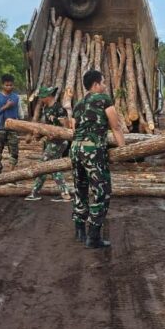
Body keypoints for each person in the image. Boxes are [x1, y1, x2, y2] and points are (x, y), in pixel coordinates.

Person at [70, 70, 125, 248]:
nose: (105, 85)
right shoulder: (104, 99)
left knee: (81, 189)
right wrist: (124, 150)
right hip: (92, 150)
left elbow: (74, 129)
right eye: (103, 82)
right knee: (102, 191)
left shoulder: (78, 104)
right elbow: (115, 126)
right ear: (95, 84)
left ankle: (79, 231)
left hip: (75, 149)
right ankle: (93, 237)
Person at [26, 86, 72, 202]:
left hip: (58, 142)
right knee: (50, 167)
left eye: (42, 97)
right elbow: (47, 127)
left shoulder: (59, 109)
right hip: (51, 142)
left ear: (47, 96)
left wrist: (55, 135)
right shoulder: (46, 109)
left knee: (45, 165)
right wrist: (40, 135)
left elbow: (65, 129)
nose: (40, 99)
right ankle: (36, 192)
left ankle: (63, 193)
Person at [0, 74, 23, 173]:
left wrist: (22, 125)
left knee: (14, 150)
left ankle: (11, 171)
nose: (9, 87)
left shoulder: (16, 97)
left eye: (11, 85)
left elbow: (20, 113)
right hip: (0, 127)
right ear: (2, 85)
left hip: (13, 128)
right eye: (7, 85)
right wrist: (5, 106)